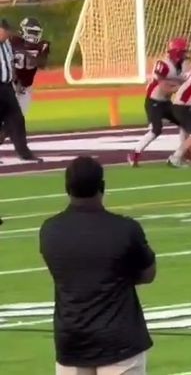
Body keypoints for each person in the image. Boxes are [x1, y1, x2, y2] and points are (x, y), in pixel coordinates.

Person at [39, 156, 156, 375]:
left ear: (67, 188)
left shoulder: (50, 230)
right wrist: (119, 275)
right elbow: (148, 274)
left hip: (71, 339)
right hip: (120, 340)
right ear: (102, 187)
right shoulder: (125, 229)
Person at [129, 37, 189, 167]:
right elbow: (164, 87)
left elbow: (182, 81)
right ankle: (135, 153)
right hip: (154, 102)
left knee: (185, 123)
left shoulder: (182, 65)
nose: (185, 55)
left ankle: (180, 155)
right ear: (177, 52)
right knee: (156, 130)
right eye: (183, 52)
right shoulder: (163, 65)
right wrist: (181, 87)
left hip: (166, 102)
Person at [0, 18, 38, 161]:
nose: (7, 34)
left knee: (17, 119)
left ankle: (24, 153)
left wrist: (16, 80)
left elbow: (10, 64)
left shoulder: (7, 44)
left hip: (7, 87)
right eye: (5, 31)